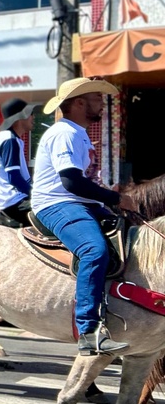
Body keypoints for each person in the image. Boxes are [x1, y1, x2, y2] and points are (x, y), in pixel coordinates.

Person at [31, 77, 135, 356]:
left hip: (80, 203)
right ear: (79, 103)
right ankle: (88, 331)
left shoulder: (78, 132)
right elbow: (71, 183)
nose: (102, 103)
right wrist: (116, 198)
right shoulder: (65, 133)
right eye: (97, 99)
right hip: (57, 204)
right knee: (94, 250)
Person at [0, 98, 38, 228]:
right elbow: (14, 177)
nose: (33, 117)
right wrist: (37, 194)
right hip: (16, 202)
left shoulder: (7, 138)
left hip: (12, 202)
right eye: (30, 114)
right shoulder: (9, 140)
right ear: (20, 117)